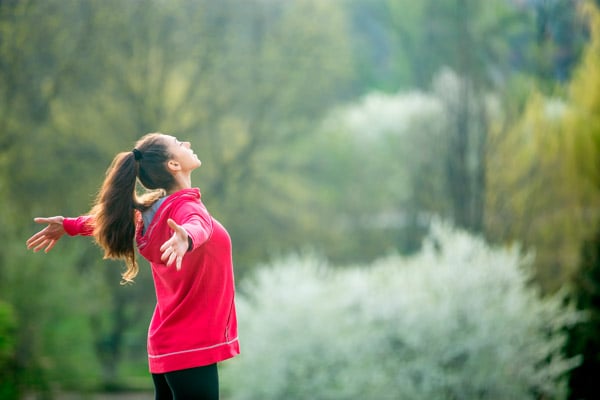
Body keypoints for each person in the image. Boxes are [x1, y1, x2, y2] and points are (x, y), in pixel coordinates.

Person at [26, 132, 239, 400]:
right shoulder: (185, 207)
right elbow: (198, 223)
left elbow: (112, 220)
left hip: (170, 342)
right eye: (178, 143)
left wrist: (69, 225)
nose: (187, 144)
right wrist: (187, 236)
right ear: (173, 165)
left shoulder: (154, 211)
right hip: (189, 345)